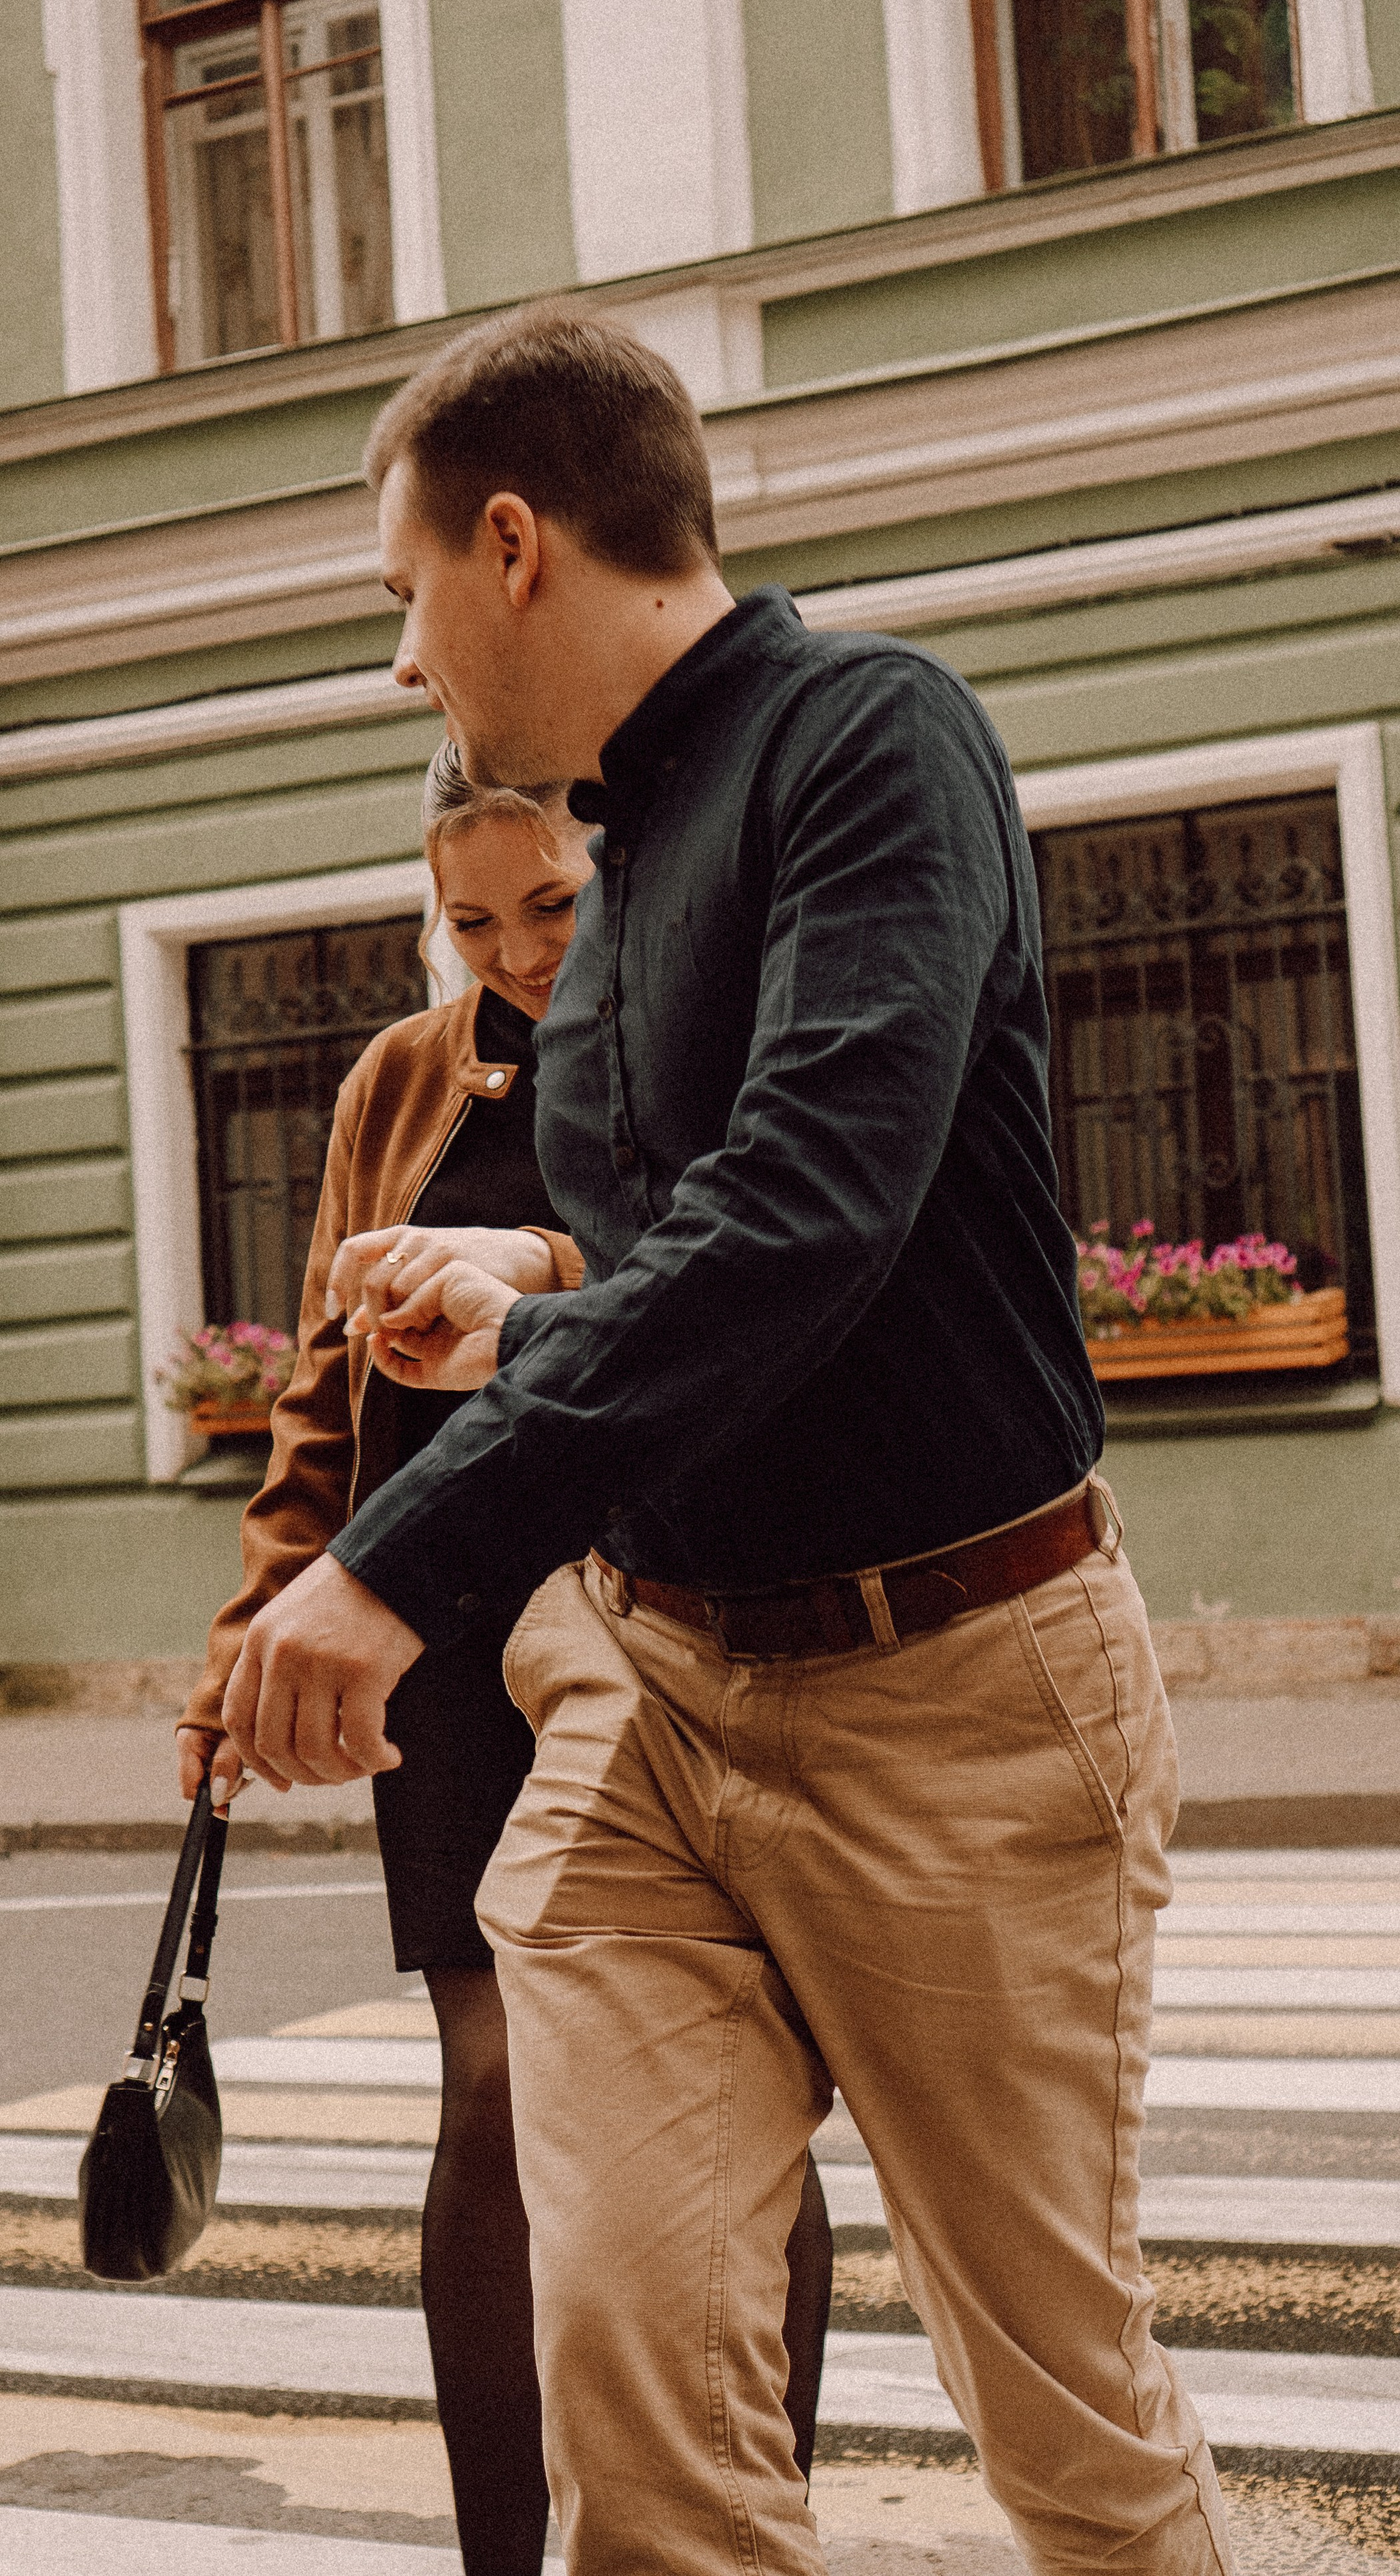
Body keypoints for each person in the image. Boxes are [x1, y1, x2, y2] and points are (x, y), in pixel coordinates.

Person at [211, 305, 1237, 2575]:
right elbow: (690, 1236)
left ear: (513, 544)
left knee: (1056, 2416)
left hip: (954, 1695)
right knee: (644, 2429)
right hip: (655, 1696)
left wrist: (393, 1564)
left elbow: (812, 1214)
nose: (404, 667)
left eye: (401, 599)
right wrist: (532, 1286)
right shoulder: (623, 854)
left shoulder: (874, 740)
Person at [177, 746, 836, 2575]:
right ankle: (496, 2559)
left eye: (551, 905)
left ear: (619, 872)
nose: (519, 952)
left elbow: (743, 1281)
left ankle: (754, 2520)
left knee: (736, 2096)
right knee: (489, 2080)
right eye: (471, 920)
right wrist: (252, 1639)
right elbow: (324, 1400)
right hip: (443, 1625)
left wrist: (533, 1270)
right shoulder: (404, 1070)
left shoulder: (709, 1041)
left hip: (680, 1610)